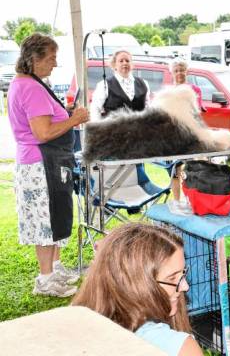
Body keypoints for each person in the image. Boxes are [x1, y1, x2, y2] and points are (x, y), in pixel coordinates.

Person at [8, 33, 89, 297]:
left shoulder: (25, 83)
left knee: (55, 216)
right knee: (45, 221)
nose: (55, 63)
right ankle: (45, 279)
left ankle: (54, 267)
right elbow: (42, 133)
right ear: (34, 59)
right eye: (51, 58)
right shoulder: (30, 88)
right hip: (40, 163)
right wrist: (73, 119)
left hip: (43, 162)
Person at [73, 223, 203, 356]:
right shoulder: (180, 348)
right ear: (136, 283)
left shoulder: (75, 329)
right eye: (172, 278)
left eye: (183, 273)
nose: (185, 286)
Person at [168, 59, 203, 210]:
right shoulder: (169, 91)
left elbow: (197, 111)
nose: (179, 73)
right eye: (176, 70)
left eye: (182, 70)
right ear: (172, 73)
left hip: (190, 135)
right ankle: (176, 201)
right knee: (175, 169)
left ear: (187, 71)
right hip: (173, 136)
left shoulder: (195, 89)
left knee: (192, 168)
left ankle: (191, 199)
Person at [90, 50, 150, 121]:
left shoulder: (144, 83)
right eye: (121, 61)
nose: (125, 63)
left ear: (132, 64)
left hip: (138, 129)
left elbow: (147, 109)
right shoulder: (104, 85)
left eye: (127, 61)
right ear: (114, 65)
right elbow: (95, 108)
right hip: (112, 129)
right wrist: (98, 128)